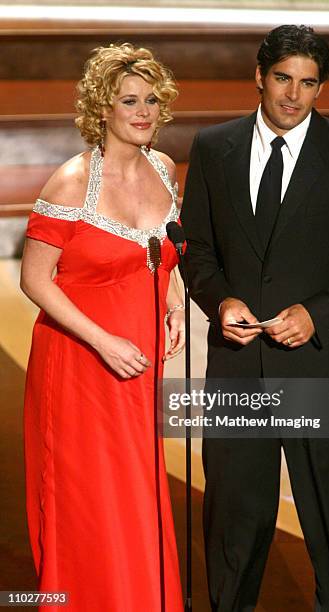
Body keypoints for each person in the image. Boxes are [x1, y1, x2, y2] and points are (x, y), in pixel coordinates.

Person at [181, 25, 329, 612]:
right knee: (233, 522)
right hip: (237, 368)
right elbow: (197, 249)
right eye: (283, 78)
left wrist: (318, 313)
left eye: (308, 83)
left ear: (320, 88)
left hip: (319, 366)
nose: (293, 95)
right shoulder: (213, 147)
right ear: (259, 75)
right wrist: (220, 300)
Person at [21, 43, 184, 611]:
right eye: (129, 101)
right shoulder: (71, 182)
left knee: (136, 488)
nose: (144, 112)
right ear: (102, 108)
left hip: (140, 364)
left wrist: (174, 300)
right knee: (90, 496)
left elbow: (162, 252)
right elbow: (35, 282)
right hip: (81, 361)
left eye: (152, 101)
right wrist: (103, 340)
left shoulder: (164, 170)